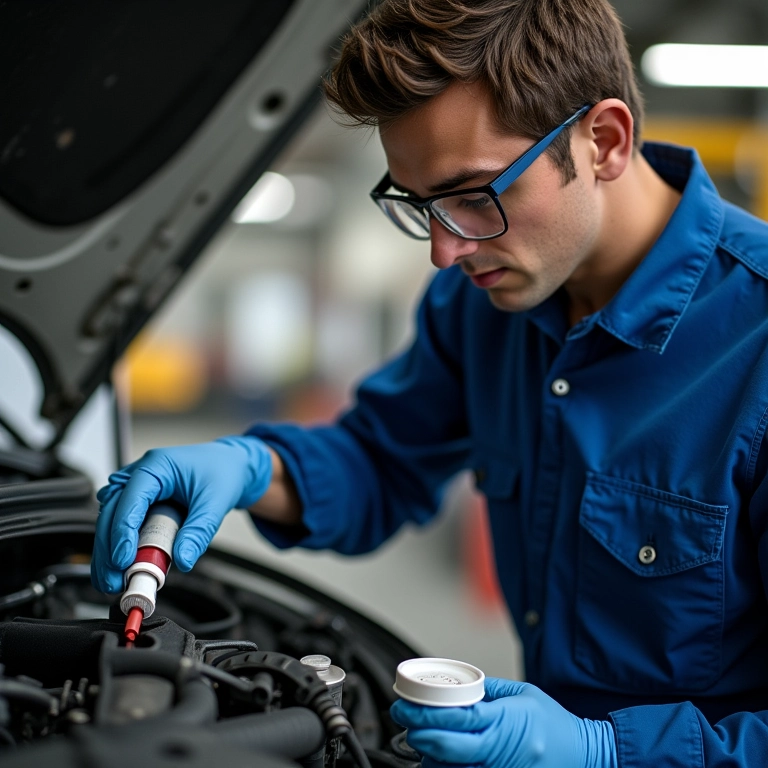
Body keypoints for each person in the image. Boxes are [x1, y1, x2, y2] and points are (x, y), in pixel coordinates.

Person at [91, 0, 768, 765]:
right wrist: (249, 469)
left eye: (475, 196)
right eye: (420, 205)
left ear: (603, 141)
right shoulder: (482, 302)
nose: (445, 253)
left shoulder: (758, 348)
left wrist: (608, 751)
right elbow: (382, 461)